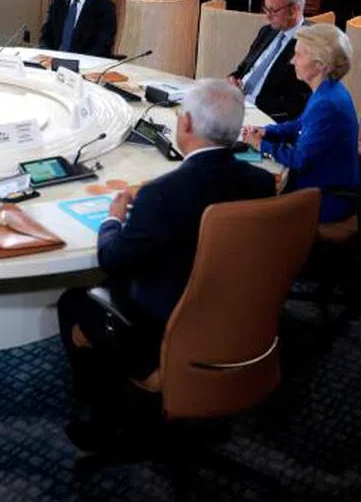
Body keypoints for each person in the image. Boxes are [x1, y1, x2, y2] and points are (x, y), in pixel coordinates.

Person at [57, 79, 276, 451]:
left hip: (171, 327)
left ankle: (110, 421)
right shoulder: (260, 182)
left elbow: (113, 259)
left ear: (186, 124)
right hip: (242, 321)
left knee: (74, 302)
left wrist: (114, 219)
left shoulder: (162, 195)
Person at [242, 23, 361, 223]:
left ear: (320, 64)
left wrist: (261, 144)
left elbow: (299, 160)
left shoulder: (327, 103)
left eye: (298, 55)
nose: (291, 61)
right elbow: (301, 124)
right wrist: (266, 131)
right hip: (320, 182)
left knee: (249, 205)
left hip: (323, 197)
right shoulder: (329, 90)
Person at [228, 0, 312, 122]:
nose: (267, 16)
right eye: (266, 9)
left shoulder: (309, 42)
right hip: (236, 102)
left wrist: (250, 104)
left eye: (273, 11)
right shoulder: (267, 31)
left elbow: (296, 102)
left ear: (294, 10)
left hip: (264, 115)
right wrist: (233, 79)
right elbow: (242, 69)